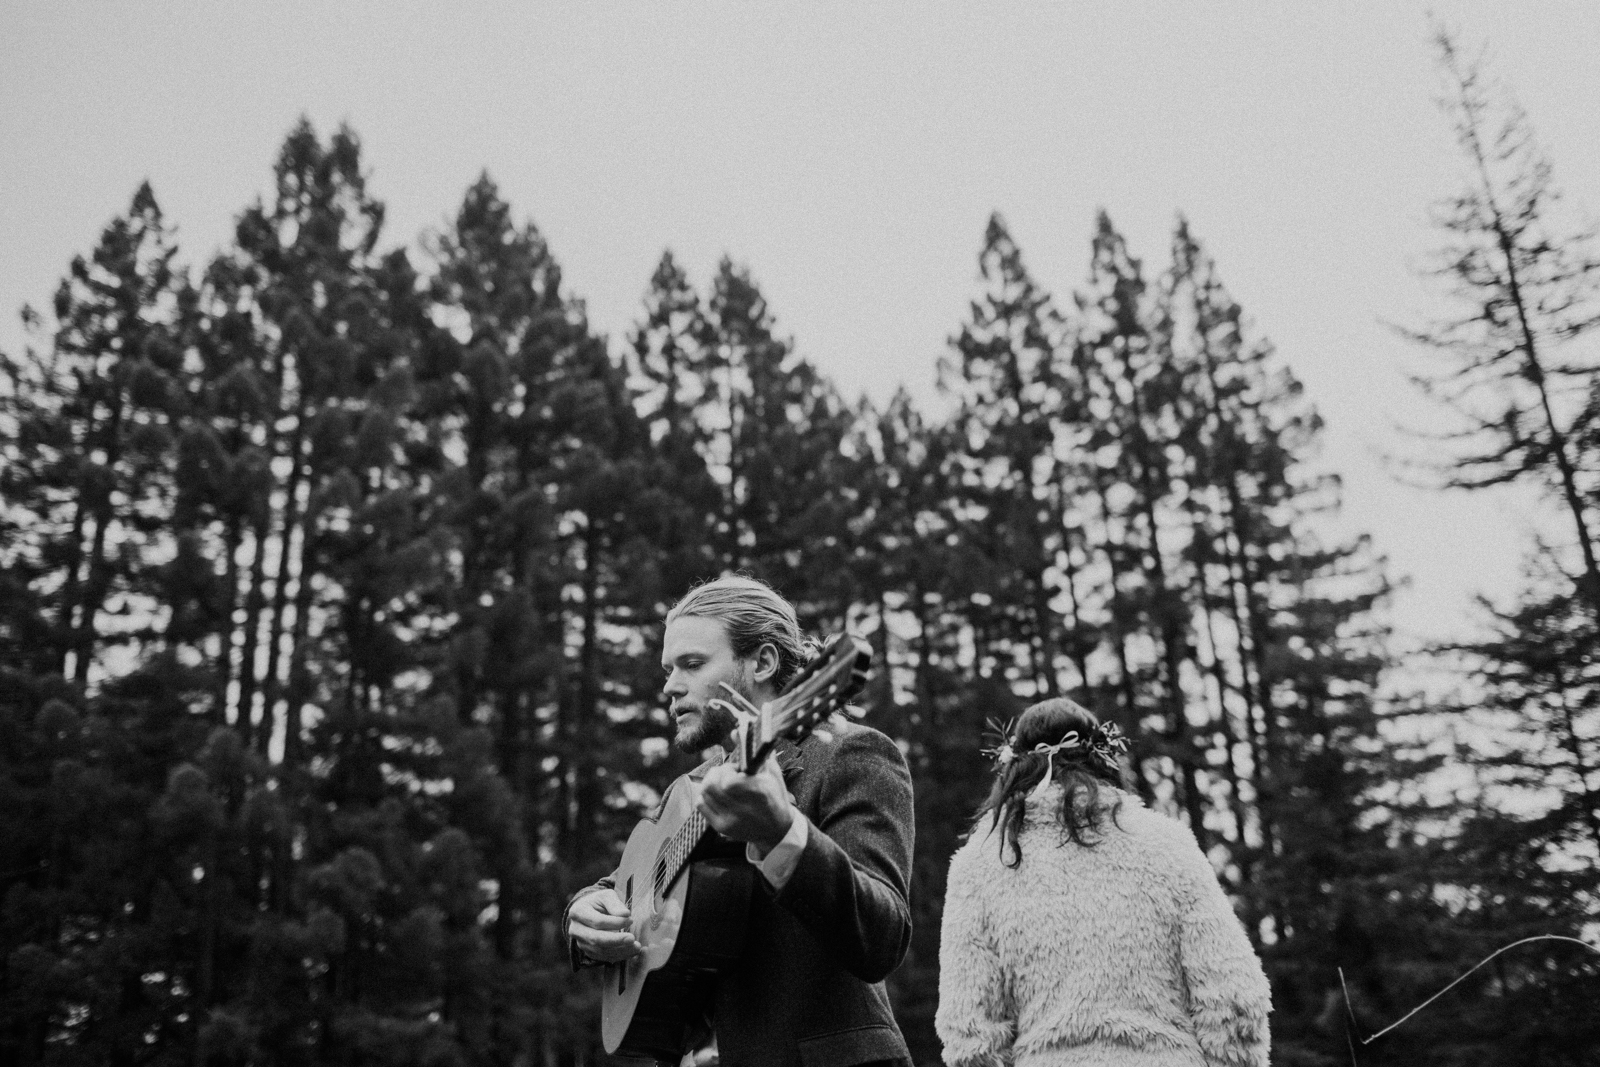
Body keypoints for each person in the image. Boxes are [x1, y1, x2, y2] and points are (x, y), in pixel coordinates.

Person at [565, 575, 916, 1067]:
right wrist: (585, 915)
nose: (670, 686)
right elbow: (624, 882)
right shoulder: (692, 788)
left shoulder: (851, 755)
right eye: (668, 669)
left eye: (692, 664)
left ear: (763, 662)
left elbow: (883, 936)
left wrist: (781, 832)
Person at [935, 698, 1272, 1067]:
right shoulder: (1168, 844)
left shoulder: (980, 864)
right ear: (1102, 756)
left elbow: (969, 1027)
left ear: (1014, 764)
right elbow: (1235, 998)